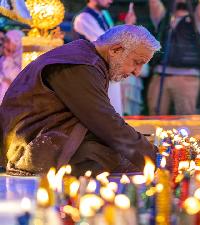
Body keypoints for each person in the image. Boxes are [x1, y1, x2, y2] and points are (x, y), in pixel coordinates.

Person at [0, 25, 160, 176]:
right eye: (137, 63)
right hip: (28, 150)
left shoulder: (87, 58)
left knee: (124, 155)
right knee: (122, 160)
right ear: (115, 49)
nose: (137, 72)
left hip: (47, 141)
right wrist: (158, 159)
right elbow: (106, 123)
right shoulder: (80, 65)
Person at [147, 0, 200, 115]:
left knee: (185, 120)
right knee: (155, 117)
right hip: (160, 76)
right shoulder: (164, 17)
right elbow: (153, 2)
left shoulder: (197, 20)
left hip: (187, 77)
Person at [73, 0, 136, 116]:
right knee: (102, 116)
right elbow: (108, 44)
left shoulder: (104, 15)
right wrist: (128, 27)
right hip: (94, 75)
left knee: (113, 113)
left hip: (107, 74)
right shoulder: (84, 18)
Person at [0, 30, 24, 103]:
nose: (4, 45)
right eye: (5, 42)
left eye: (8, 42)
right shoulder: (3, 59)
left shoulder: (25, 60)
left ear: (17, 42)